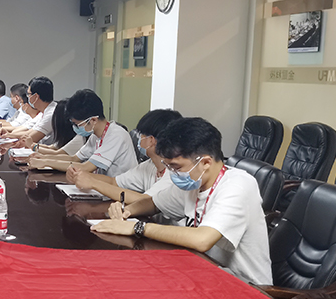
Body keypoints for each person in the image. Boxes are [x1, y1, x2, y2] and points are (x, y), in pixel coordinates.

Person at [93, 117, 272, 285]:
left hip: (243, 286)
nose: (173, 173)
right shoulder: (195, 181)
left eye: (176, 167)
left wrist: (137, 227)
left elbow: (202, 240)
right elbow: (153, 203)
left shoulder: (238, 185)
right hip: (203, 273)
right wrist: (126, 211)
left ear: (206, 163)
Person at [66, 109, 182, 204]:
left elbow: (145, 201)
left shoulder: (174, 174)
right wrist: (81, 175)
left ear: (151, 140)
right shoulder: (150, 165)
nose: (139, 139)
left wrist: (93, 183)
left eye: (141, 135)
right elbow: (114, 182)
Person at [29, 89, 137, 178]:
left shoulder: (116, 135)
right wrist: (43, 158)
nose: (76, 128)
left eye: (77, 124)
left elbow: (86, 167)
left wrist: (46, 162)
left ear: (93, 120)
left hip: (121, 191)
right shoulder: (96, 135)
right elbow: (74, 159)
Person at [6, 77, 56, 147]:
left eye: (29, 94)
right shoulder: (44, 112)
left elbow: (32, 138)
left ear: (36, 96)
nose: (28, 97)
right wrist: (8, 135)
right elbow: (29, 133)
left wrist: (9, 142)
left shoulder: (51, 113)